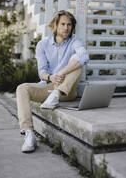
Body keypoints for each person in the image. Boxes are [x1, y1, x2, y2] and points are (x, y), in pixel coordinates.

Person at [16, 10, 89, 153]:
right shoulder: (43, 45)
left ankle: (56, 94)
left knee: (78, 61)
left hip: (66, 91)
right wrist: (51, 77)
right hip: (48, 87)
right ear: (55, 25)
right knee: (21, 88)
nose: (66, 27)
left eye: (69, 24)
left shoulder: (75, 41)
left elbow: (84, 56)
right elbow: (42, 71)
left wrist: (60, 73)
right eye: (62, 24)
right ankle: (29, 135)